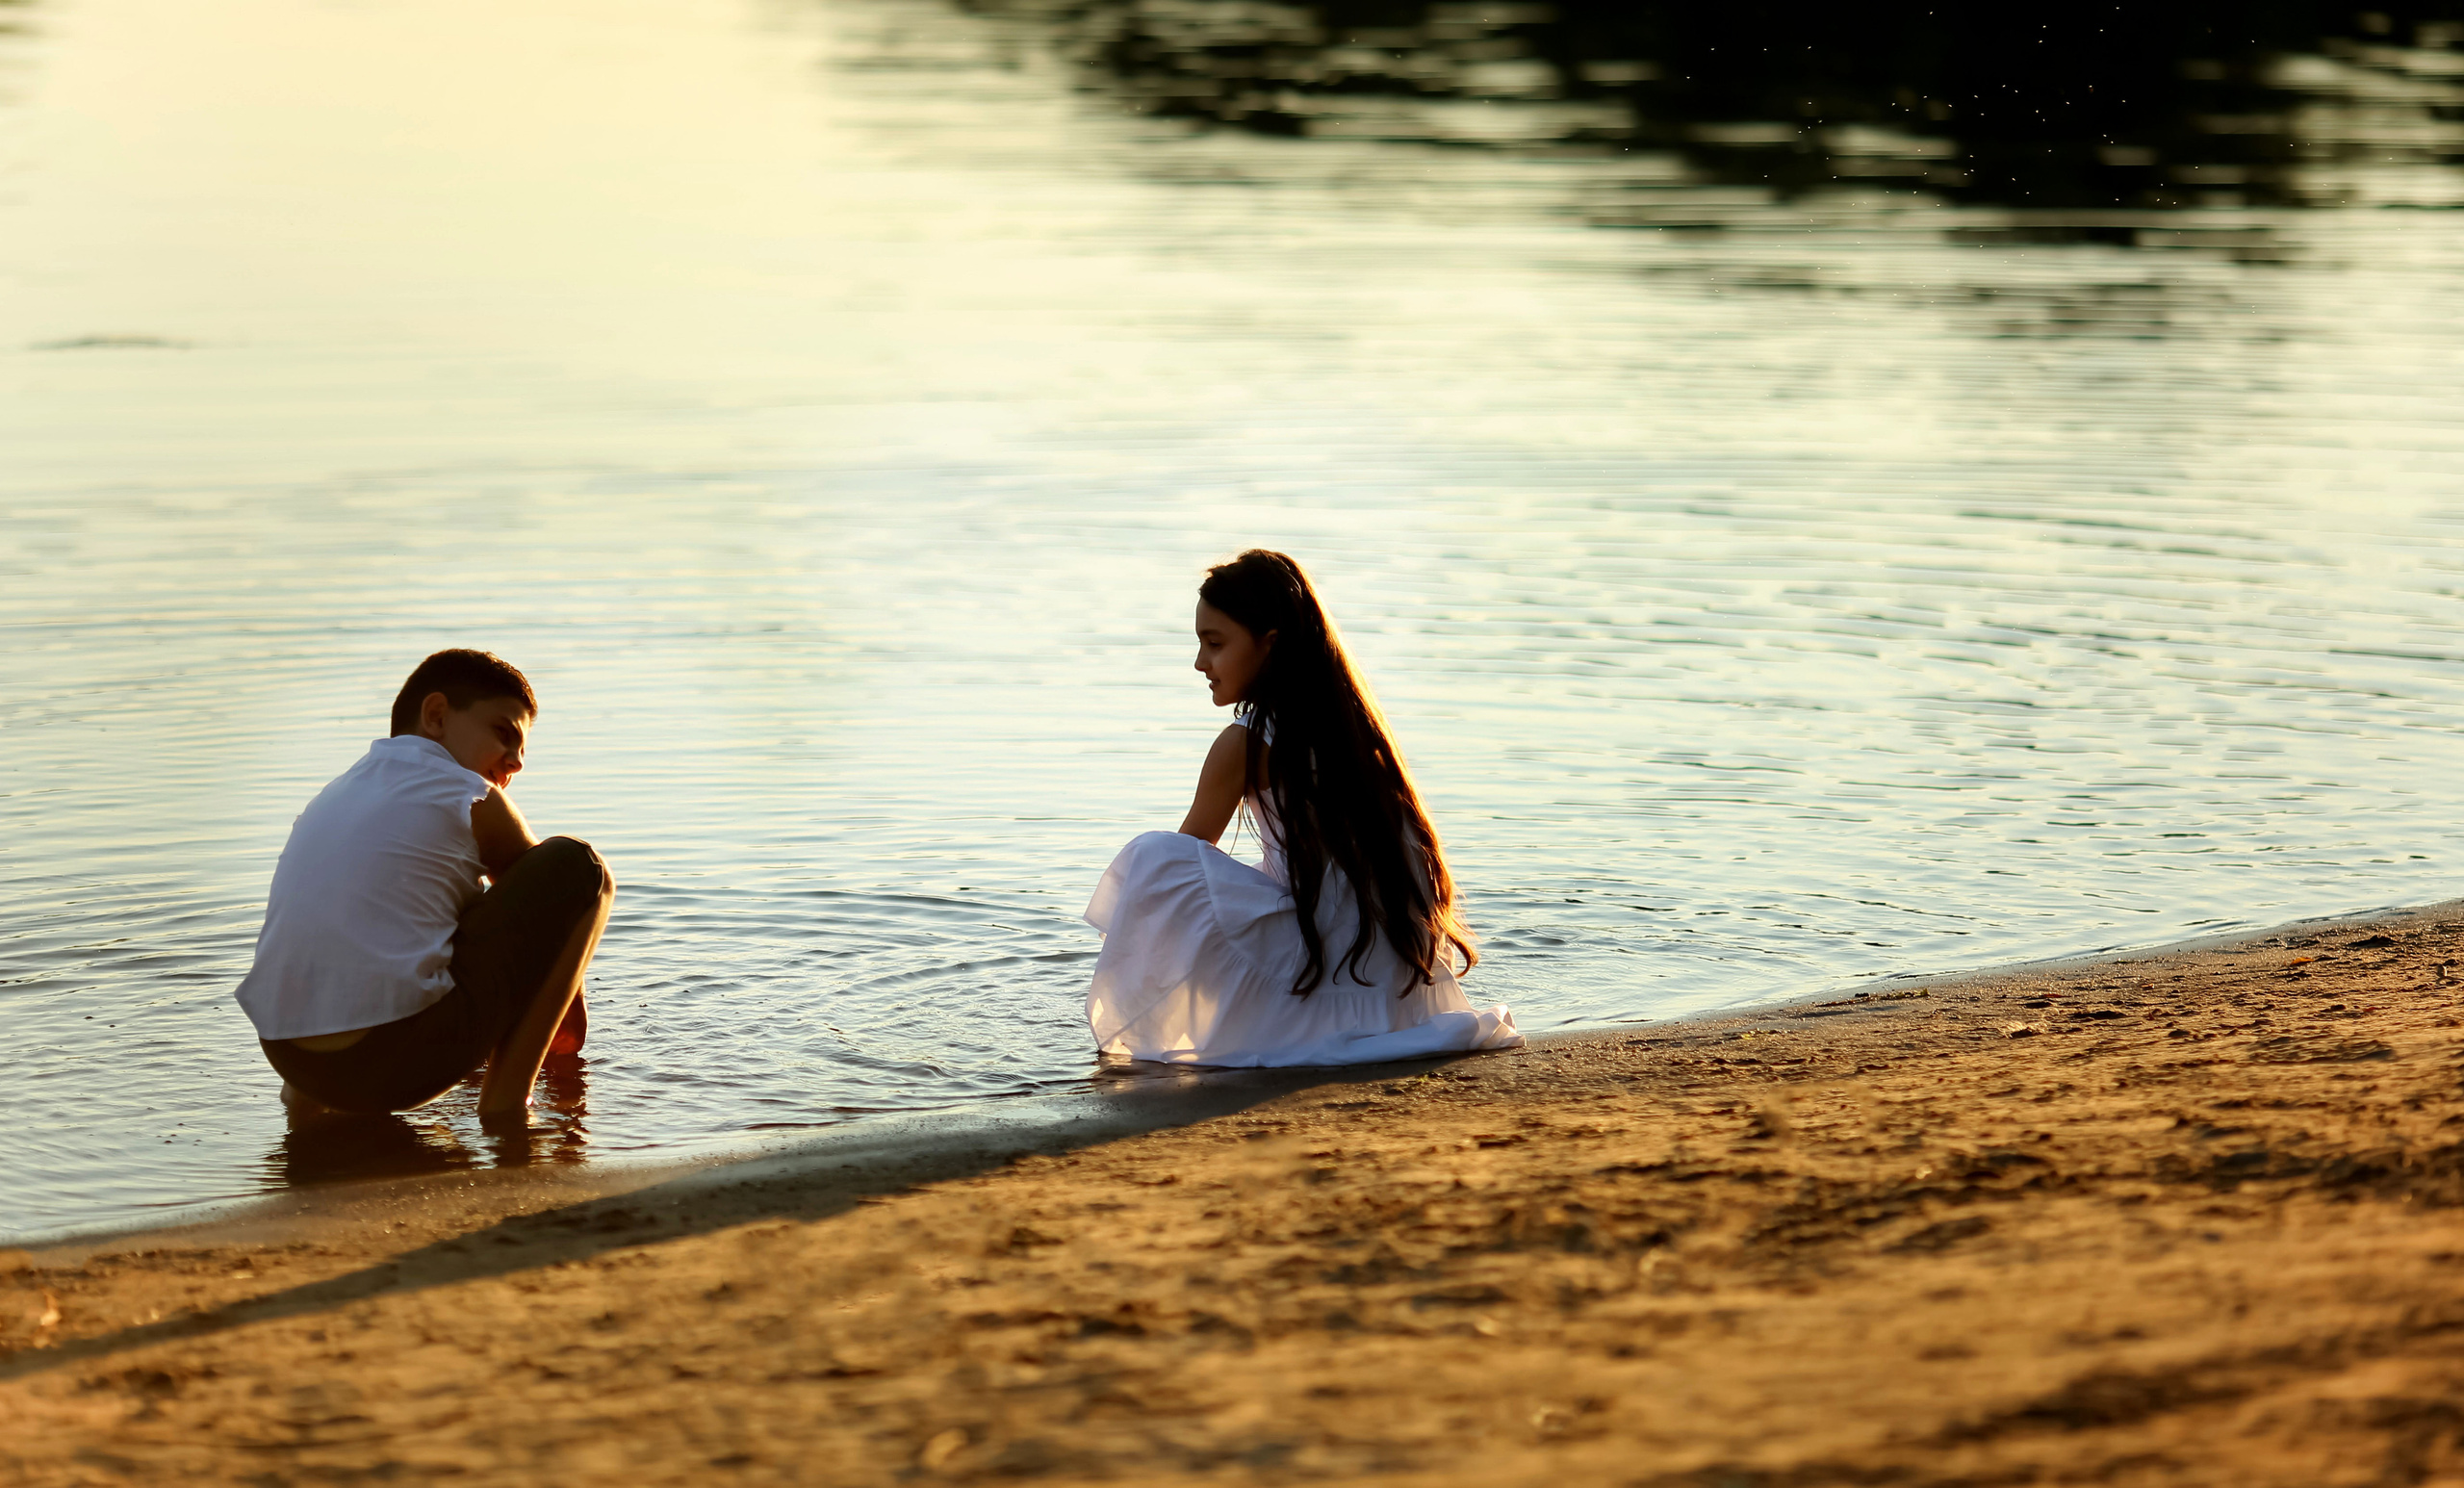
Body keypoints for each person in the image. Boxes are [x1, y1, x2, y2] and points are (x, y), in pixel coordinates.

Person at [1084, 550, 1520, 1066]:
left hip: (1330, 971)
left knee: (1156, 859)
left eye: (1215, 644)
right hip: (1394, 978)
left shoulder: (1246, 743)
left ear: (1270, 643)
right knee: (1249, 875)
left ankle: (1186, 1025)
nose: (1200, 663)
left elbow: (1174, 877)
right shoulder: (1356, 730)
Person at [234, 650, 613, 1127]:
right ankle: (506, 1106)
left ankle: (307, 1111)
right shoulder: (467, 791)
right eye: (504, 733)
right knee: (582, 867)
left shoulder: (336, 792)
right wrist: (566, 1033)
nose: (516, 762)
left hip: (291, 1059)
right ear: (436, 715)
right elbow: (557, 910)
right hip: (394, 1062)